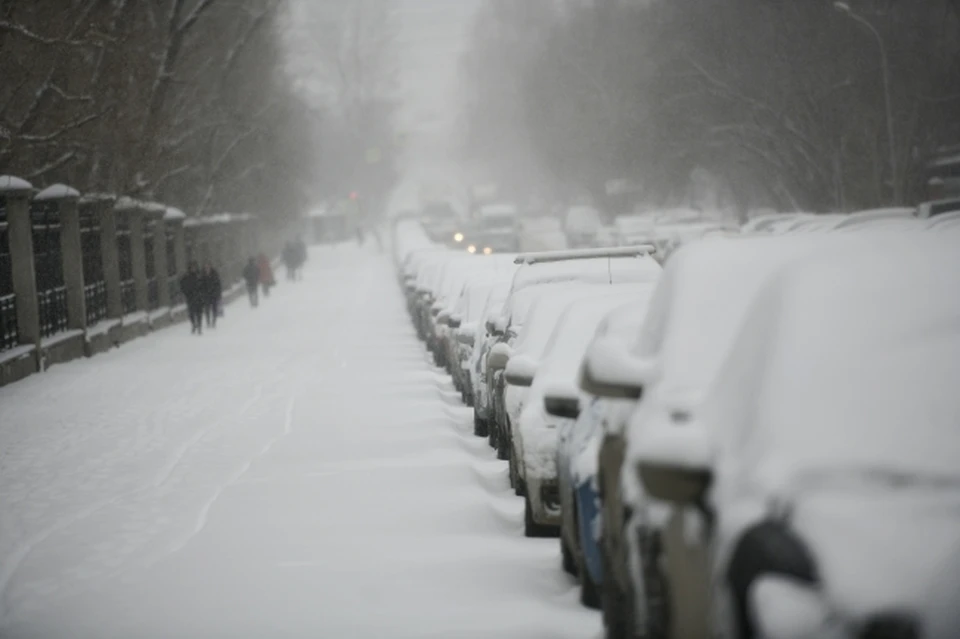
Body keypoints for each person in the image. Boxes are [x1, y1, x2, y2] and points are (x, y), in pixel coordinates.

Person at [179, 261, 204, 334]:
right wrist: (185, 292)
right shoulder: (186, 276)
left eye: (194, 267)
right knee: (191, 313)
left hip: (199, 297)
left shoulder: (199, 275)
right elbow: (182, 285)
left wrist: (202, 293)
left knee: (199, 313)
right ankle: (194, 324)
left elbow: (204, 285)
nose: (193, 269)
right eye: (192, 267)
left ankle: (199, 327)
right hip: (190, 298)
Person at [201, 262, 222, 328]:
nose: (207, 268)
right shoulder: (203, 275)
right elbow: (201, 285)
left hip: (214, 295)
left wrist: (218, 294)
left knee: (214, 309)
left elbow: (218, 284)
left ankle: (213, 322)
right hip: (206, 295)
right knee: (207, 309)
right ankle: (208, 322)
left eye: (208, 266)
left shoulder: (214, 274)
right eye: (206, 267)